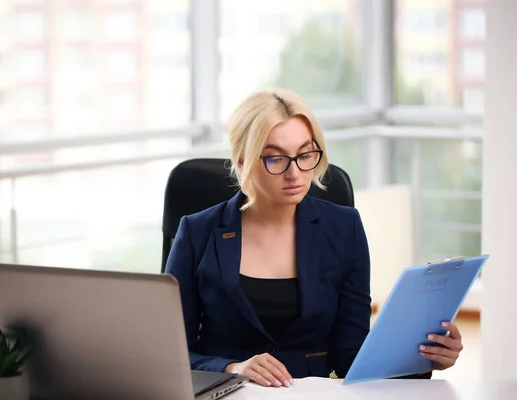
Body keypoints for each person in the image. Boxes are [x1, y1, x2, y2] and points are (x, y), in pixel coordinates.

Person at [164, 88, 464, 387]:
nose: (295, 173)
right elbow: (169, 354)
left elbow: (351, 355)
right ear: (242, 162)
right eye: (275, 159)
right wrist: (230, 367)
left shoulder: (344, 228)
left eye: (305, 154)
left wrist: (424, 358)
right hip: (228, 393)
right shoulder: (197, 232)